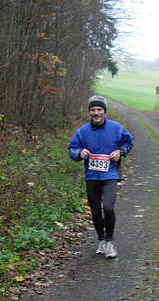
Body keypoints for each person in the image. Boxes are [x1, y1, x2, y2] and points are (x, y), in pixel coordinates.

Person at [68, 95, 133, 259]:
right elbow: (72, 148)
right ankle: (101, 240)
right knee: (96, 212)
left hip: (110, 175)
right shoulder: (82, 131)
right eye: (93, 110)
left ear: (104, 111)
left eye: (99, 110)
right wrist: (79, 153)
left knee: (109, 208)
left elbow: (128, 142)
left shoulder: (116, 128)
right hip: (91, 176)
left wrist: (120, 152)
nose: (96, 113)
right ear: (89, 112)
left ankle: (110, 241)